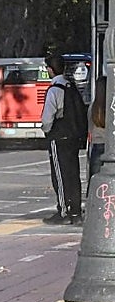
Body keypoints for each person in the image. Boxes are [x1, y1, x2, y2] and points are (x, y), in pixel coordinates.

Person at [40, 54, 83, 225]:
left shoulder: (54, 89)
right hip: (73, 136)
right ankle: (76, 210)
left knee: (60, 174)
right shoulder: (71, 86)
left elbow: (47, 118)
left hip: (59, 137)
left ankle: (64, 211)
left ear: (50, 69)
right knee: (73, 174)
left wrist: (46, 131)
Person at [87, 76, 107, 199]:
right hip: (109, 145)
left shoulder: (94, 108)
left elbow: (90, 128)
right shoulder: (111, 108)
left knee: (94, 178)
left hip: (97, 144)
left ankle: (93, 201)